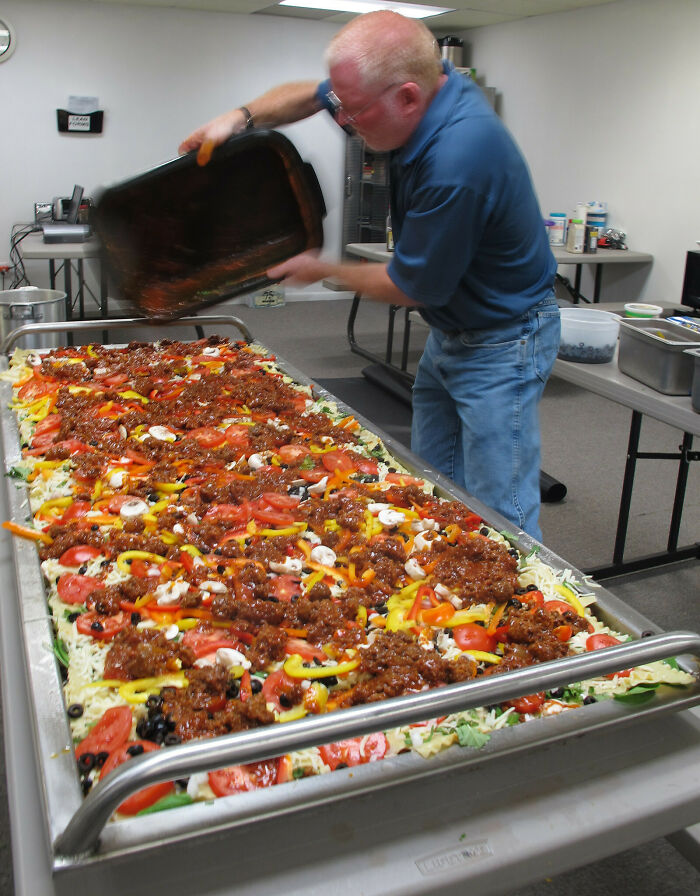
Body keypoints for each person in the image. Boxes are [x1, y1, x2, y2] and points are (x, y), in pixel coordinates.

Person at [179, 11, 559, 541]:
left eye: (353, 112)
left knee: (501, 506)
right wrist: (238, 118)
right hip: (454, 329)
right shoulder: (416, 90)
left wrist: (324, 271)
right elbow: (309, 96)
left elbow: (410, 286)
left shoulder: (460, 158)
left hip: (504, 338)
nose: (344, 122)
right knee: (431, 482)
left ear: (407, 97)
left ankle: (525, 608)